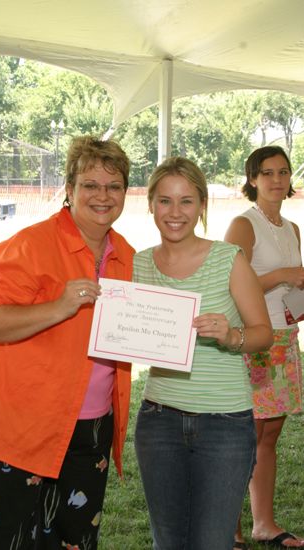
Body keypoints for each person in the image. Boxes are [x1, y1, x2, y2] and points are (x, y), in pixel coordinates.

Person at [0, 136, 135, 550]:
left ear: (124, 192)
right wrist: (58, 306)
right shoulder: (31, 245)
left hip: (89, 432)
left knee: (71, 541)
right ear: (69, 190)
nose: (102, 196)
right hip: (14, 426)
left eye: (114, 186)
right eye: (90, 185)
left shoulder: (126, 255)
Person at [133, 156, 273, 550]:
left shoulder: (228, 259)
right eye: (164, 201)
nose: (175, 213)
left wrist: (231, 337)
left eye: (186, 201)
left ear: (202, 205)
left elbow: (264, 334)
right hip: (159, 420)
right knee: (168, 541)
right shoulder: (138, 265)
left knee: (213, 542)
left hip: (225, 424)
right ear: (151, 205)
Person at [225, 145, 304, 549]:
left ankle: (264, 523)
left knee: (269, 436)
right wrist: (282, 275)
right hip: (255, 342)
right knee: (244, 437)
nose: (277, 180)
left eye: (284, 172)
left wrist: (298, 302)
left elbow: (291, 286)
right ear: (252, 179)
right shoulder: (244, 224)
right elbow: (228, 284)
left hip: (284, 339)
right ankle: (230, 527)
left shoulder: (291, 229)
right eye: (268, 172)